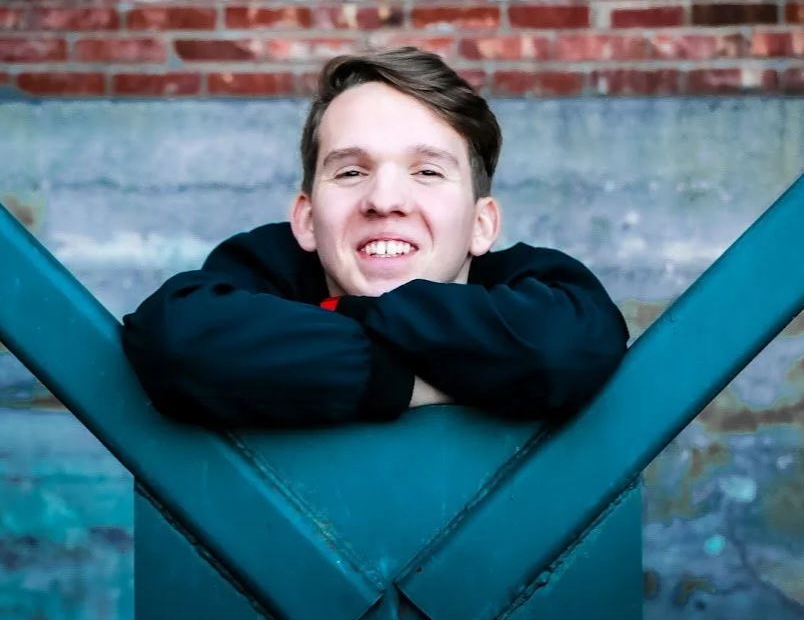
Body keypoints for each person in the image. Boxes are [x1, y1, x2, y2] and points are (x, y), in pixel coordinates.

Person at [121, 47, 629, 428]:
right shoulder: (259, 269)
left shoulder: (538, 288)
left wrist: (344, 315)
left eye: (427, 172)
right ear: (305, 219)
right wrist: (413, 381)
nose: (384, 199)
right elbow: (178, 344)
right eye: (349, 172)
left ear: (482, 225)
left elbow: (564, 349)